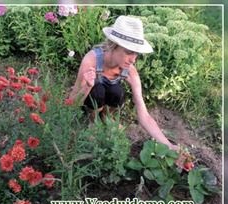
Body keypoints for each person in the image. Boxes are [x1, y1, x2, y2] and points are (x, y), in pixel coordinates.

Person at [68, 15, 179, 151]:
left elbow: (144, 115)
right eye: (129, 52)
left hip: (108, 102)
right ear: (113, 45)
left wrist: (168, 145)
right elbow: (71, 103)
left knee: (117, 91)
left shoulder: (130, 71)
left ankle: (108, 118)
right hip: (91, 100)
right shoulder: (91, 60)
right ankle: (94, 121)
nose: (133, 60)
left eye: (136, 54)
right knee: (97, 90)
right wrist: (87, 87)